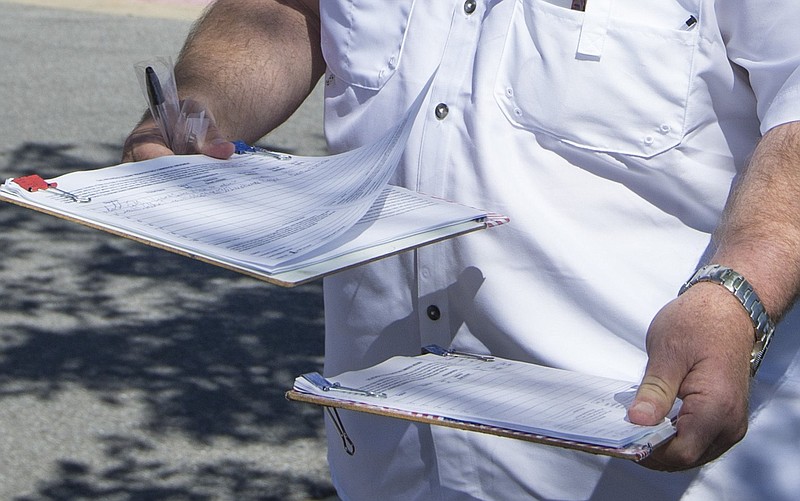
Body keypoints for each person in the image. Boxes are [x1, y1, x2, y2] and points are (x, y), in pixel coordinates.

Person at [123, 0, 800, 499]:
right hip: (391, 465)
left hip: (653, 464)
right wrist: (200, 107)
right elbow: (283, 11)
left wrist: (738, 293)